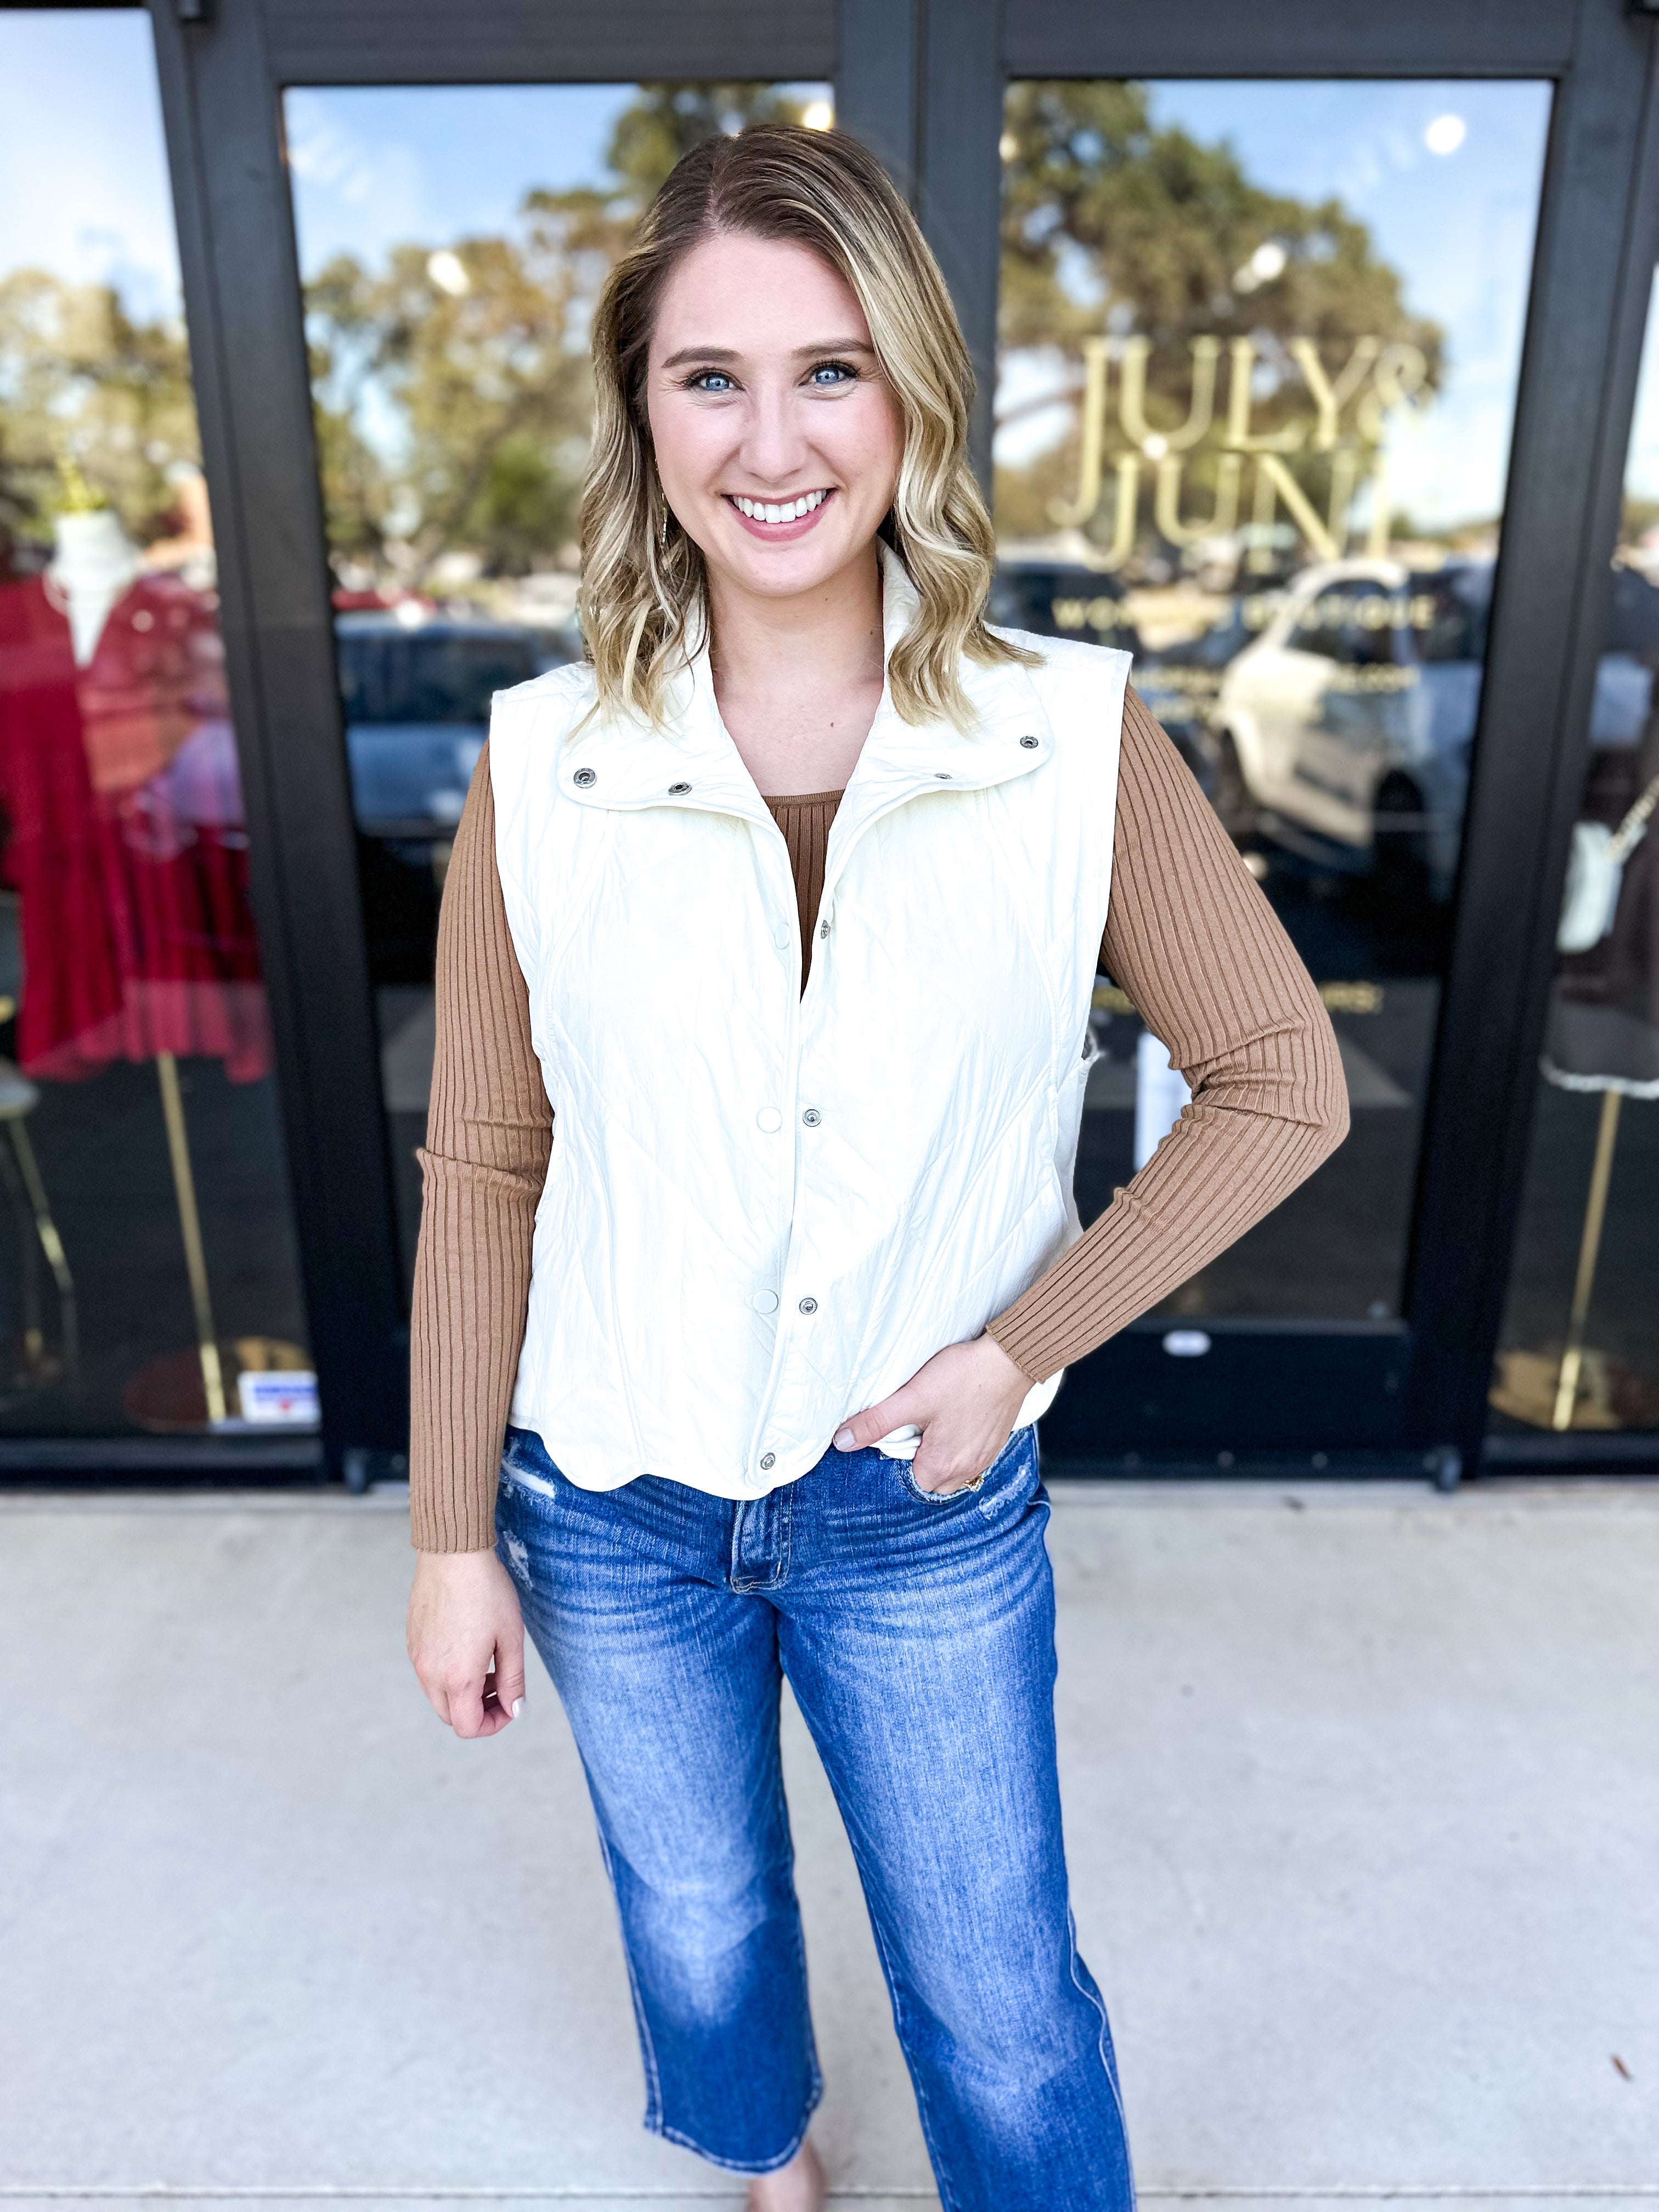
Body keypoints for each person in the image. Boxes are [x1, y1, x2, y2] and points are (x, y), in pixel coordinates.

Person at [405, 125, 1347, 2212]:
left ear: (912, 388)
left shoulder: (1072, 739)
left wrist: (1022, 1348)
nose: (772, 442)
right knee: (704, 1925)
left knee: (999, 1995)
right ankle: (766, 2159)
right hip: (611, 1496)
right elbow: (485, 1161)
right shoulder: (541, 766)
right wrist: (448, 1533)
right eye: (709, 377)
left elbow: (1283, 1076)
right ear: (640, 411)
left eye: (830, 370)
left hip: (916, 1504)